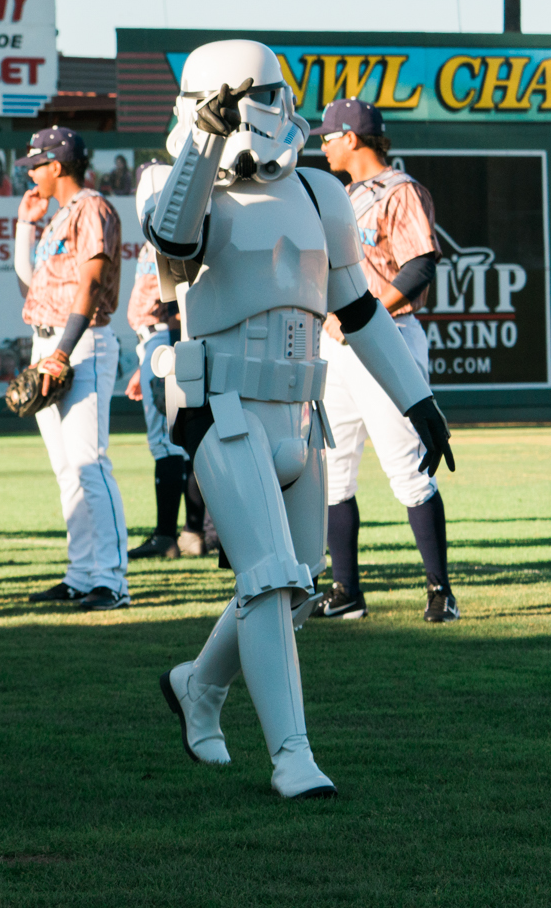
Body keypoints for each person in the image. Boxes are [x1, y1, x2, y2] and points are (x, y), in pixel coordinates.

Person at [147, 41, 454, 799]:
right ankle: (292, 754)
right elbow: (175, 242)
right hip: (223, 405)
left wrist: (418, 399)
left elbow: (359, 310)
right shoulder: (177, 183)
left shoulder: (319, 193)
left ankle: (198, 686)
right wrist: (205, 144)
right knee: (266, 576)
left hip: (300, 407)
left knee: (295, 588)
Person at [309, 98, 458, 623]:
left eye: (328, 135)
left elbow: (419, 267)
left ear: (353, 137)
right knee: (333, 471)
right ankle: (345, 590)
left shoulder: (402, 190)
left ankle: (441, 589)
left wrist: (361, 314)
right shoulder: (339, 197)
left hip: (387, 337)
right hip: (337, 344)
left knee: (408, 468)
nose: (322, 143)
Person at [13, 126, 129, 611]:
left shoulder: (93, 208)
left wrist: (61, 351)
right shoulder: (57, 217)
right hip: (51, 343)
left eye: (36, 164)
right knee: (67, 470)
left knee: (89, 463)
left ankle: (111, 580)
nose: (31, 174)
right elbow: (31, 288)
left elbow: (92, 286)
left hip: (80, 344)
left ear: (57, 165)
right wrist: (25, 227)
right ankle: (81, 574)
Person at [124, 162, 195, 562]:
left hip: (166, 337)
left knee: (170, 441)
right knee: (179, 440)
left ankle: (169, 534)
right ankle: (192, 532)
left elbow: (184, 299)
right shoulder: (157, 232)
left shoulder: (174, 231)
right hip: (154, 340)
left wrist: (164, 344)